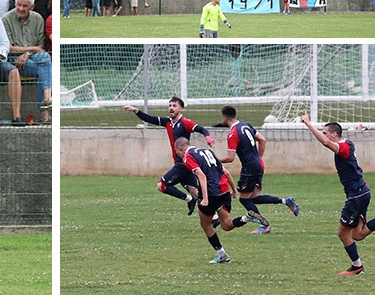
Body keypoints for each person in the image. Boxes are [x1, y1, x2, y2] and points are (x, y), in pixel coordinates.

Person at [301, 115, 375, 274]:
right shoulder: (347, 144)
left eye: (325, 132)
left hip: (356, 196)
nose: (323, 135)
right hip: (361, 193)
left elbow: (325, 143)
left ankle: (357, 267)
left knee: (342, 233)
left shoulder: (343, 148)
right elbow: (328, 142)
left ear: (334, 134)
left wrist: (308, 124)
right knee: (358, 234)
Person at [121, 97, 214, 213]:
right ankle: (214, 216)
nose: (171, 108)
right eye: (170, 106)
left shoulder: (185, 122)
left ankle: (189, 199)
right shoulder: (168, 122)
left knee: (162, 185)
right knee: (196, 193)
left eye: (174, 106)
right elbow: (150, 119)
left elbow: (201, 129)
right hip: (182, 163)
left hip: (183, 163)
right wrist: (136, 111)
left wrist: (208, 137)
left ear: (180, 109)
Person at [178, 135, 260, 264]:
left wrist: (205, 198)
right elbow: (226, 172)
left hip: (211, 193)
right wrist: (234, 190)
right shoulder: (208, 151)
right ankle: (247, 217)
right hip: (224, 191)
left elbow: (201, 176)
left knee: (205, 225)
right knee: (226, 225)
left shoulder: (188, 157)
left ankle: (222, 255)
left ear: (179, 148)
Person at [217, 105, 298, 233]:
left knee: (244, 199)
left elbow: (230, 158)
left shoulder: (233, 134)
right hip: (259, 164)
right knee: (253, 198)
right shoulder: (246, 125)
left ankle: (264, 225)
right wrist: (258, 157)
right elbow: (262, 140)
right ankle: (285, 201)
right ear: (235, 115)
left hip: (249, 167)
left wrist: (214, 160)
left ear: (224, 118)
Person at [3, 0, 53, 122]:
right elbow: (9, 48)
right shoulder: (6, 19)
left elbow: (40, 46)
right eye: (19, 5)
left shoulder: (38, 19)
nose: (21, 8)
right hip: (14, 59)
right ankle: (45, 104)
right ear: (15, 4)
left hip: (34, 57)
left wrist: (28, 53)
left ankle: (46, 99)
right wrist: (32, 50)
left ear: (32, 7)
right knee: (46, 68)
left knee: (44, 58)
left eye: (25, 6)